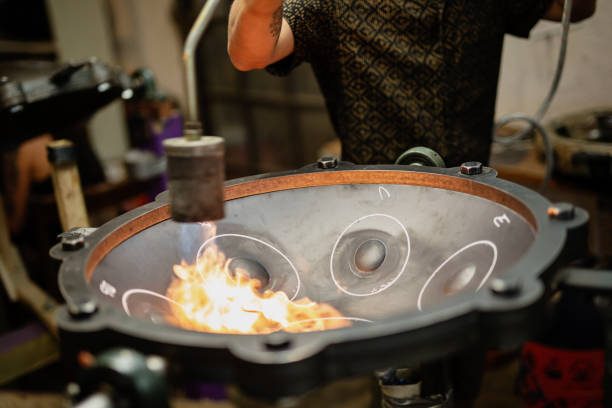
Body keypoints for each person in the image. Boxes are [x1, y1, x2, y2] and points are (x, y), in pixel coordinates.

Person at [227, 0, 596, 166]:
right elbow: (251, 53)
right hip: (373, 212)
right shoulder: (332, 3)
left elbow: (576, 8)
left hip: (475, 198)